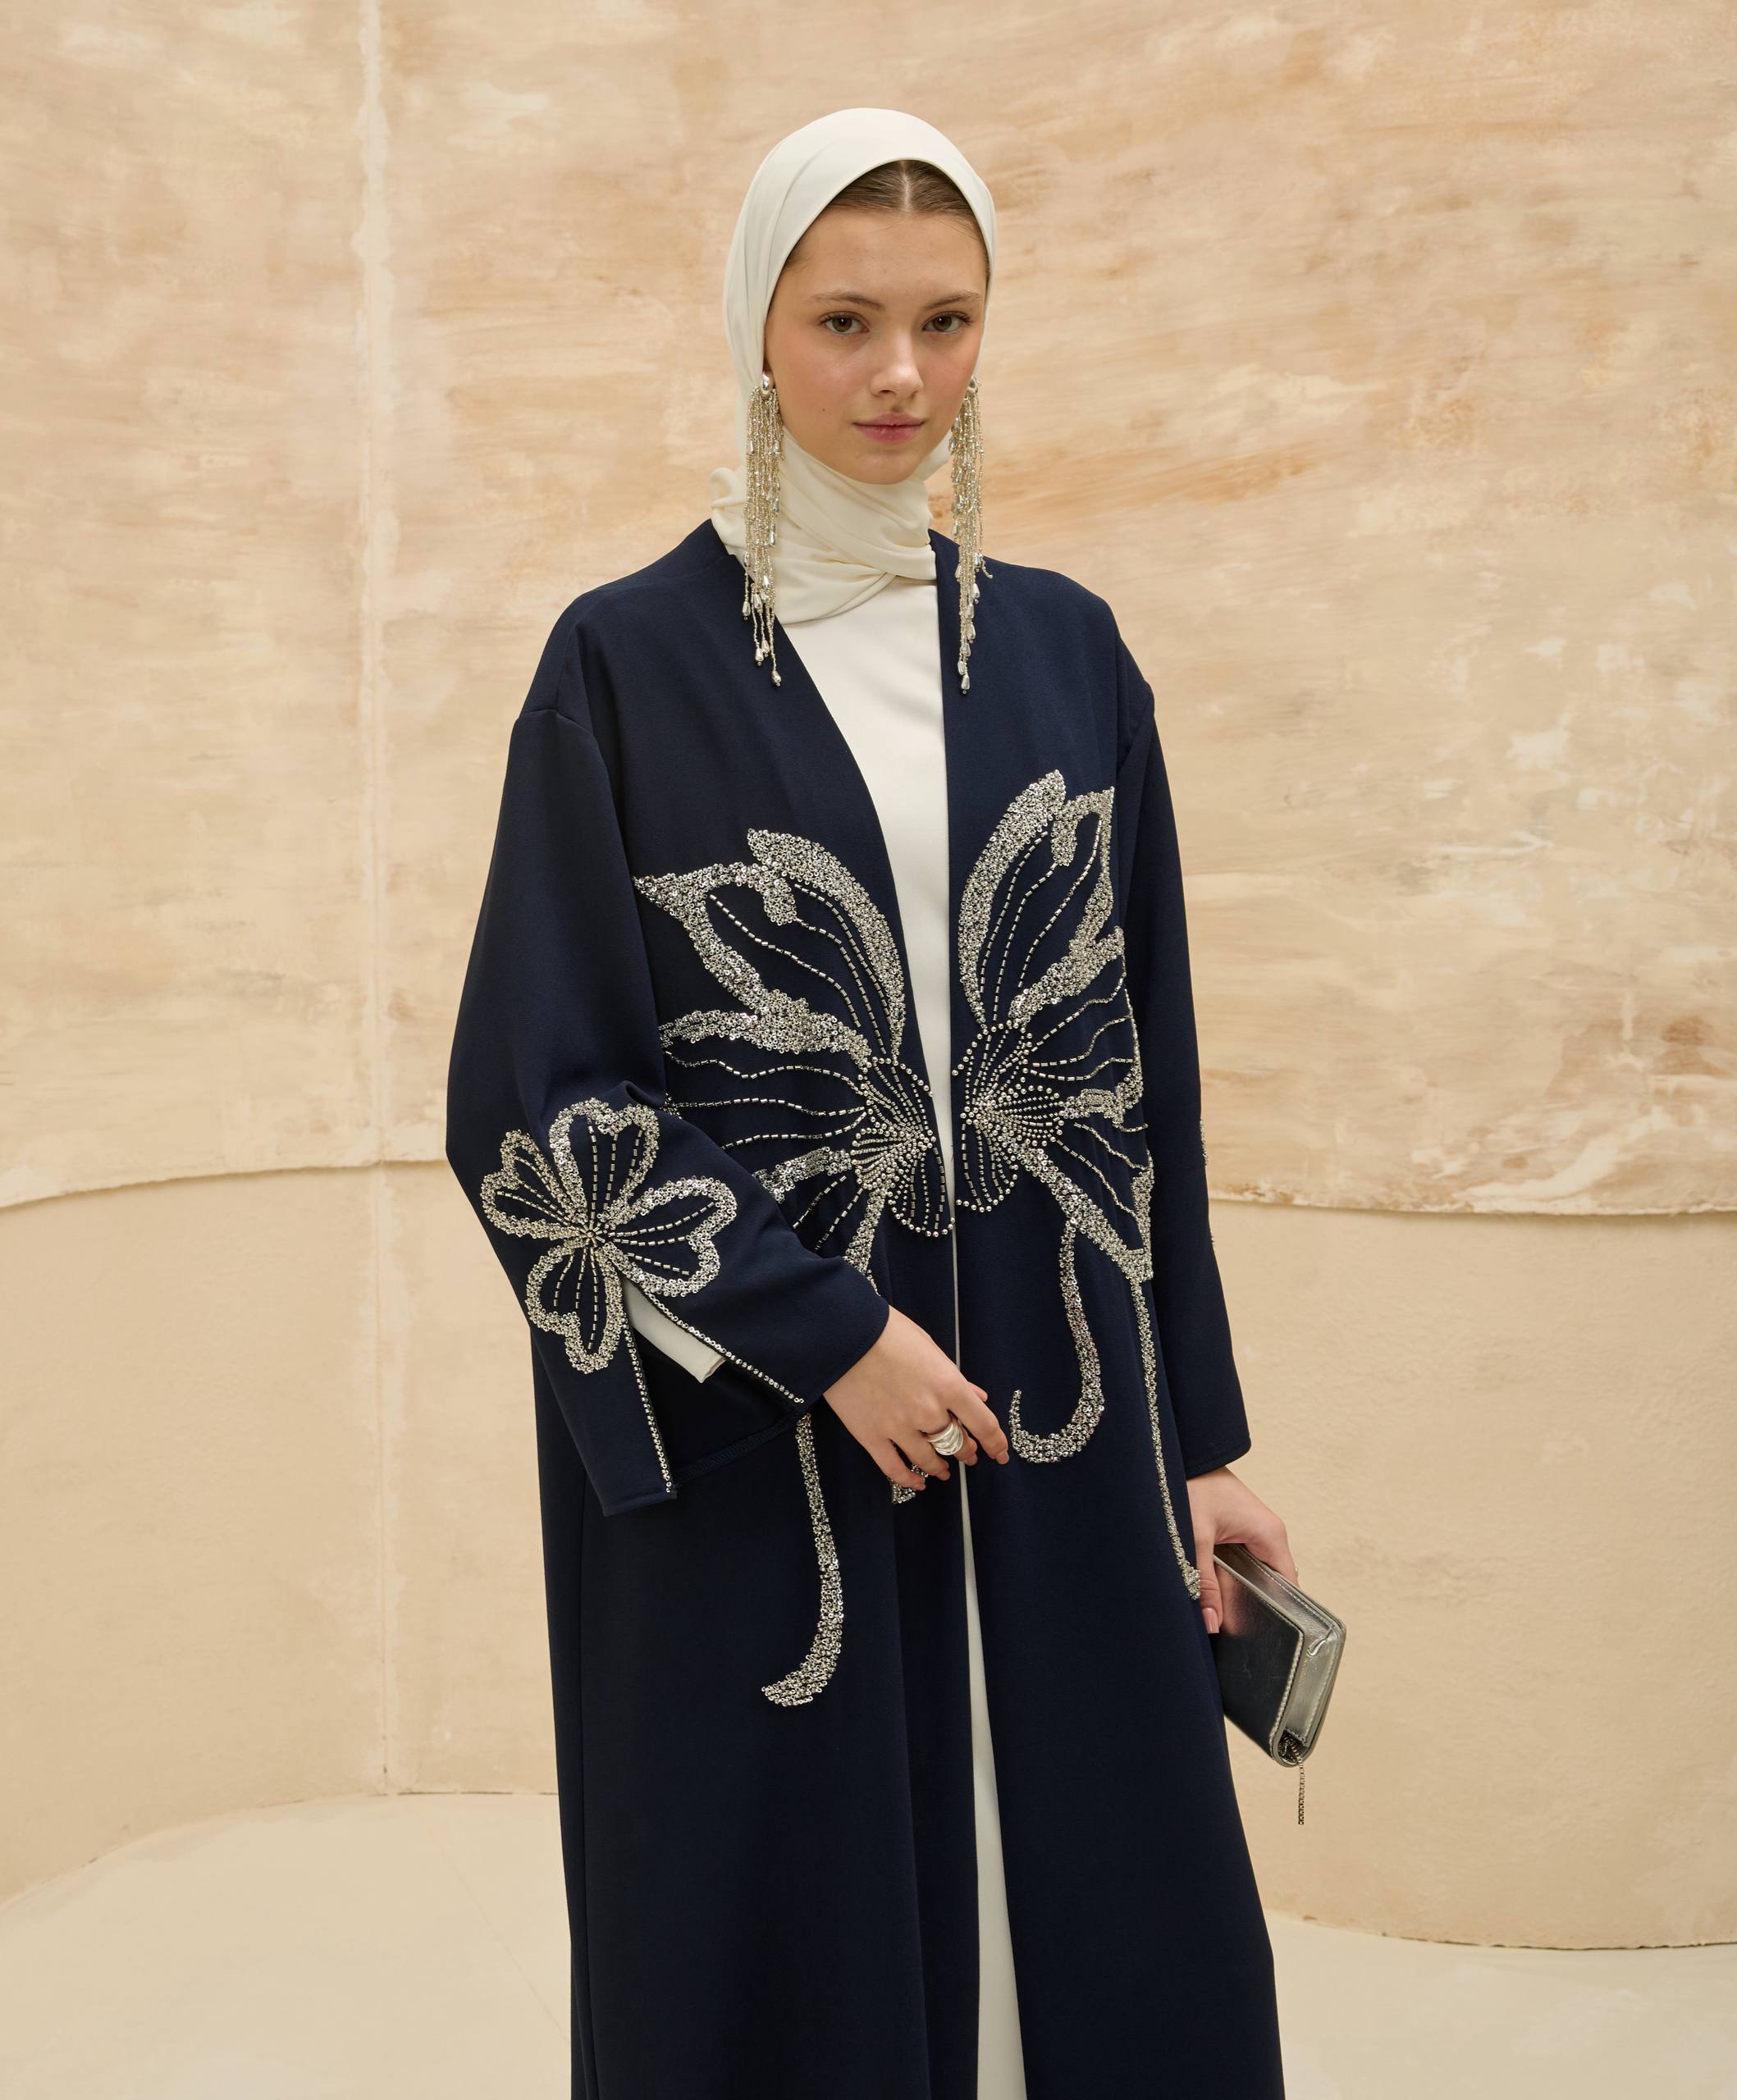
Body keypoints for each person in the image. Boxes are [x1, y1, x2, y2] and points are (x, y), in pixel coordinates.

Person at [445, 104, 1293, 2100]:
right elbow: (535, 1100)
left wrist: (1204, 1434)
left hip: (1061, 1415)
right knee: (789, 1925)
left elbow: (1140, 1086)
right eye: (844, 321)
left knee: (1100, 1897)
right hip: (773, 1445)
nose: (900, 374)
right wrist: (823, 1331)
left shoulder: (1068, 654)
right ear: (761, 325)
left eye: (945, 320)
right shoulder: (624, 664)